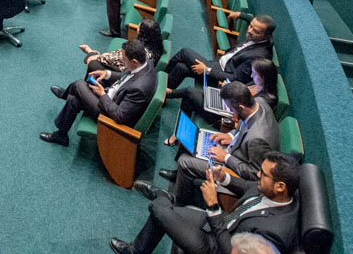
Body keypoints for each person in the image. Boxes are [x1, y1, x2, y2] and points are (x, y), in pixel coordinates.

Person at [109, 152, 300, 254]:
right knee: (166, 213)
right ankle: (137, 250)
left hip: (215, 246)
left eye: (263, 174)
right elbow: (247, 186)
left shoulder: (276, 232)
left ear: (280, 187)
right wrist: (223, 177)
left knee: (159, 209)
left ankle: (162, 196)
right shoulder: (272, 192)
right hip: (219, 225)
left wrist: (213, 206)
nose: (258, 175)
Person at [161, 81, 281, 205]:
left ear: (241, 108)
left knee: (184, 162)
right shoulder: (259, 102)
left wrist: (226, 157)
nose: (231, 113)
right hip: (236, 148)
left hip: (234, 166)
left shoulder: (257, 139)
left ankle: (178, 201)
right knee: (194, 138)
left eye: (231, 109)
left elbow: (254, 174)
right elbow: (244, 125)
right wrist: (230, 135)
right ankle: (178, 176)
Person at [40, 38, 157, 147]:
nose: (122, 60)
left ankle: (64, 94)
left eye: (124, 59)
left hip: (110, 117)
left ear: (134, 61)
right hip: (113, 97)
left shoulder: (139, 88)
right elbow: (126, 76)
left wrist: (102, 95)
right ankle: (61, 136)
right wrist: (107, 73)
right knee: (74, 99)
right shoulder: (146, 62)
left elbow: (120, 116)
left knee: (79, 84)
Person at [164, 13, 275, 90]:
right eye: (250, 26)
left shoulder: (258, 57)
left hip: (220, 76)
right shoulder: (259, 36)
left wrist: (207, 70)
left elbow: (235, 79)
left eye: (255, 31)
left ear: (265, 35)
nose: (250, 31)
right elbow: (251, 18)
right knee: (180, 67)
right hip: (217, 64)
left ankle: (160, 76)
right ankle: (163, 92)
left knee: (185, 52)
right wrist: (239, 15)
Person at [80, 17, 164, 75]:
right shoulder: (156, 47)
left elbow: (116, 59)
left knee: (91, 60)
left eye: (138, 27)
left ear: (143, 34)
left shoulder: (138, 50)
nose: (137, 28)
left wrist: (94, 54)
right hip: (131, 71)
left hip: (123, 74)